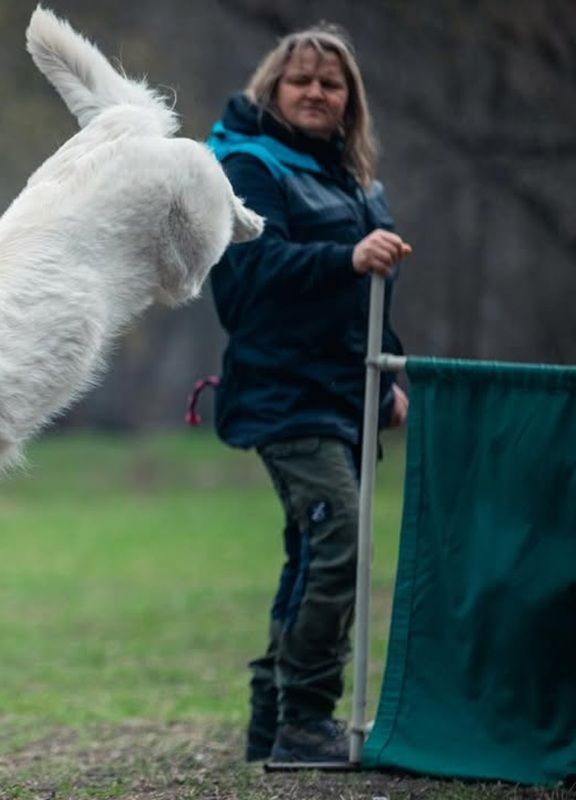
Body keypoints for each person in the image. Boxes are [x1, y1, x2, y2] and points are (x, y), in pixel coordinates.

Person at [205, 24, 410, 764]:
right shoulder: (247, 167)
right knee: (342, 540)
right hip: (282, 395)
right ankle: (307, 718)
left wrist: (389, 379)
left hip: (346, 395)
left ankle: (272, 721)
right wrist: (346, 257)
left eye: (332, 83)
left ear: (350, 98)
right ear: (274, 88)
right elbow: (250, 278)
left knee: (312, 549)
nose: (316, 93)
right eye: (302, 81)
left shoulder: (356, 183)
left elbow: (368, 298)